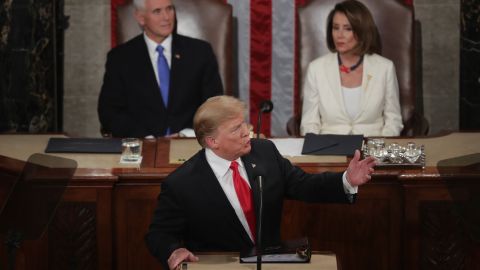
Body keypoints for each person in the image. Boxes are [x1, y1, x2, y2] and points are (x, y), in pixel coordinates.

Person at [145, 95, 376, 270]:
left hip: (270, 264)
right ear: (212, 141)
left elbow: (304, 184)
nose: (248, 132)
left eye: (244, 124)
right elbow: (159, 234)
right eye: (237, 129)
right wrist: (173, 251)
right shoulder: (182, 183)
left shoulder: (264, 152)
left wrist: (346, 180)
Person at [98, 0, 223, 138]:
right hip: (141, 145)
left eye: (169, 9)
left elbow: (214, 104)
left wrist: (186, 134)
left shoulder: (200, 52)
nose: (166, 17)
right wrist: (146, 137)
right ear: (141, 18)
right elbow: (109, 112)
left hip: (190, 141)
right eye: (157, 11)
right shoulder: (120, 58)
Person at [300, 0, 403, 137]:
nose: (339, 35)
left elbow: (393, 120)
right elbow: (309, 123)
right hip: (329, 150)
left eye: (348, 29)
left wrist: (380, 150)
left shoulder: (385, 68)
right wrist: (315, 148)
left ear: (362, 31)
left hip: (372, 149)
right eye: (336, 28)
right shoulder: (316, 69)